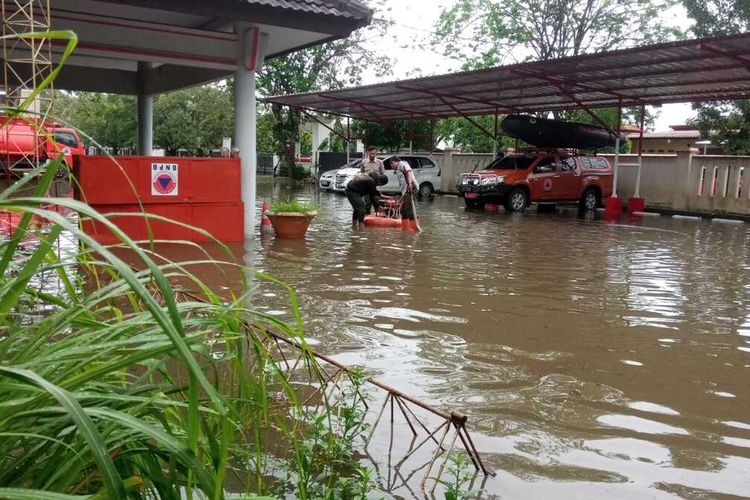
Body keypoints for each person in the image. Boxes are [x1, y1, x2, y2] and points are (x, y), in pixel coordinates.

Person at [388, 156, 419, 222]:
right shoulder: (399, 170)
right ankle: (405, 230)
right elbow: (404, 191)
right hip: (406, 191)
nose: (392, 168)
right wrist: (399, 201)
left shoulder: (402, 164)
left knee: (409, 210)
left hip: (412, 188)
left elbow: (409, 172)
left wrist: (410, 184)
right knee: (403, 211)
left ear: (393, 163)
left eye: (391, 165)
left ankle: (414, 227)